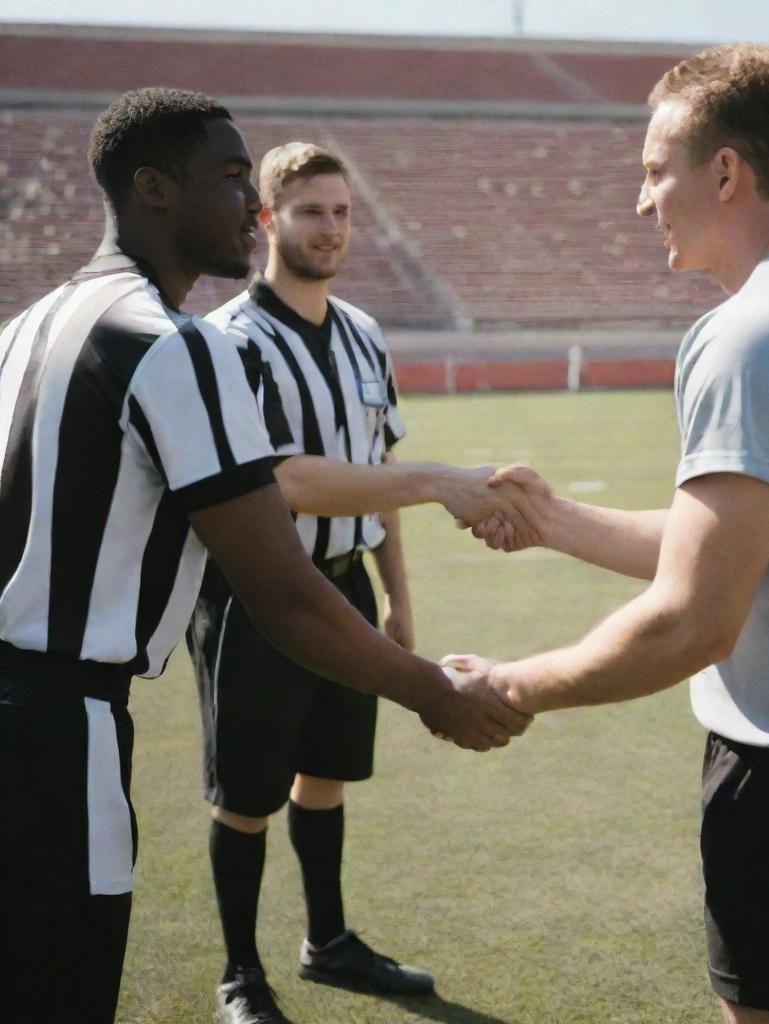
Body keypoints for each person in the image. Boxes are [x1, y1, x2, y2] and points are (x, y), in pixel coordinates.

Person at [453, 44, 769, 1024]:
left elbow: (693, 616)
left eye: (655, 171)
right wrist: (554, 520)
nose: (643, 201)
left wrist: (508, 688)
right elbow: (738, 547)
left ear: (724, 170)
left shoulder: (753, 332)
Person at [0, 88, 528, 1024]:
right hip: (54, 725)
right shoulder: (176, 345)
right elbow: (281, 593)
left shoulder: (25, 327)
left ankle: (324, 937)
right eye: (235, 177)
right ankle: (244, 972)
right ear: (154, 188)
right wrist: (433, 693)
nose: (252, 202)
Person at [189, 141, 486, 1023]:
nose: (330, 228)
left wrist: (398, 596)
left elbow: (373, 463)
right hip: (260, 598)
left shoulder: (363, 332)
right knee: (245, 795)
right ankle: (241, 974)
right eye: (312, 210)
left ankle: (328, 942)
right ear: (269, 218)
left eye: (343, 212)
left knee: (325, 773)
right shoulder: (228, 342)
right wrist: (437, 482)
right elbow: (287, 476)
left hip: (349, 583)